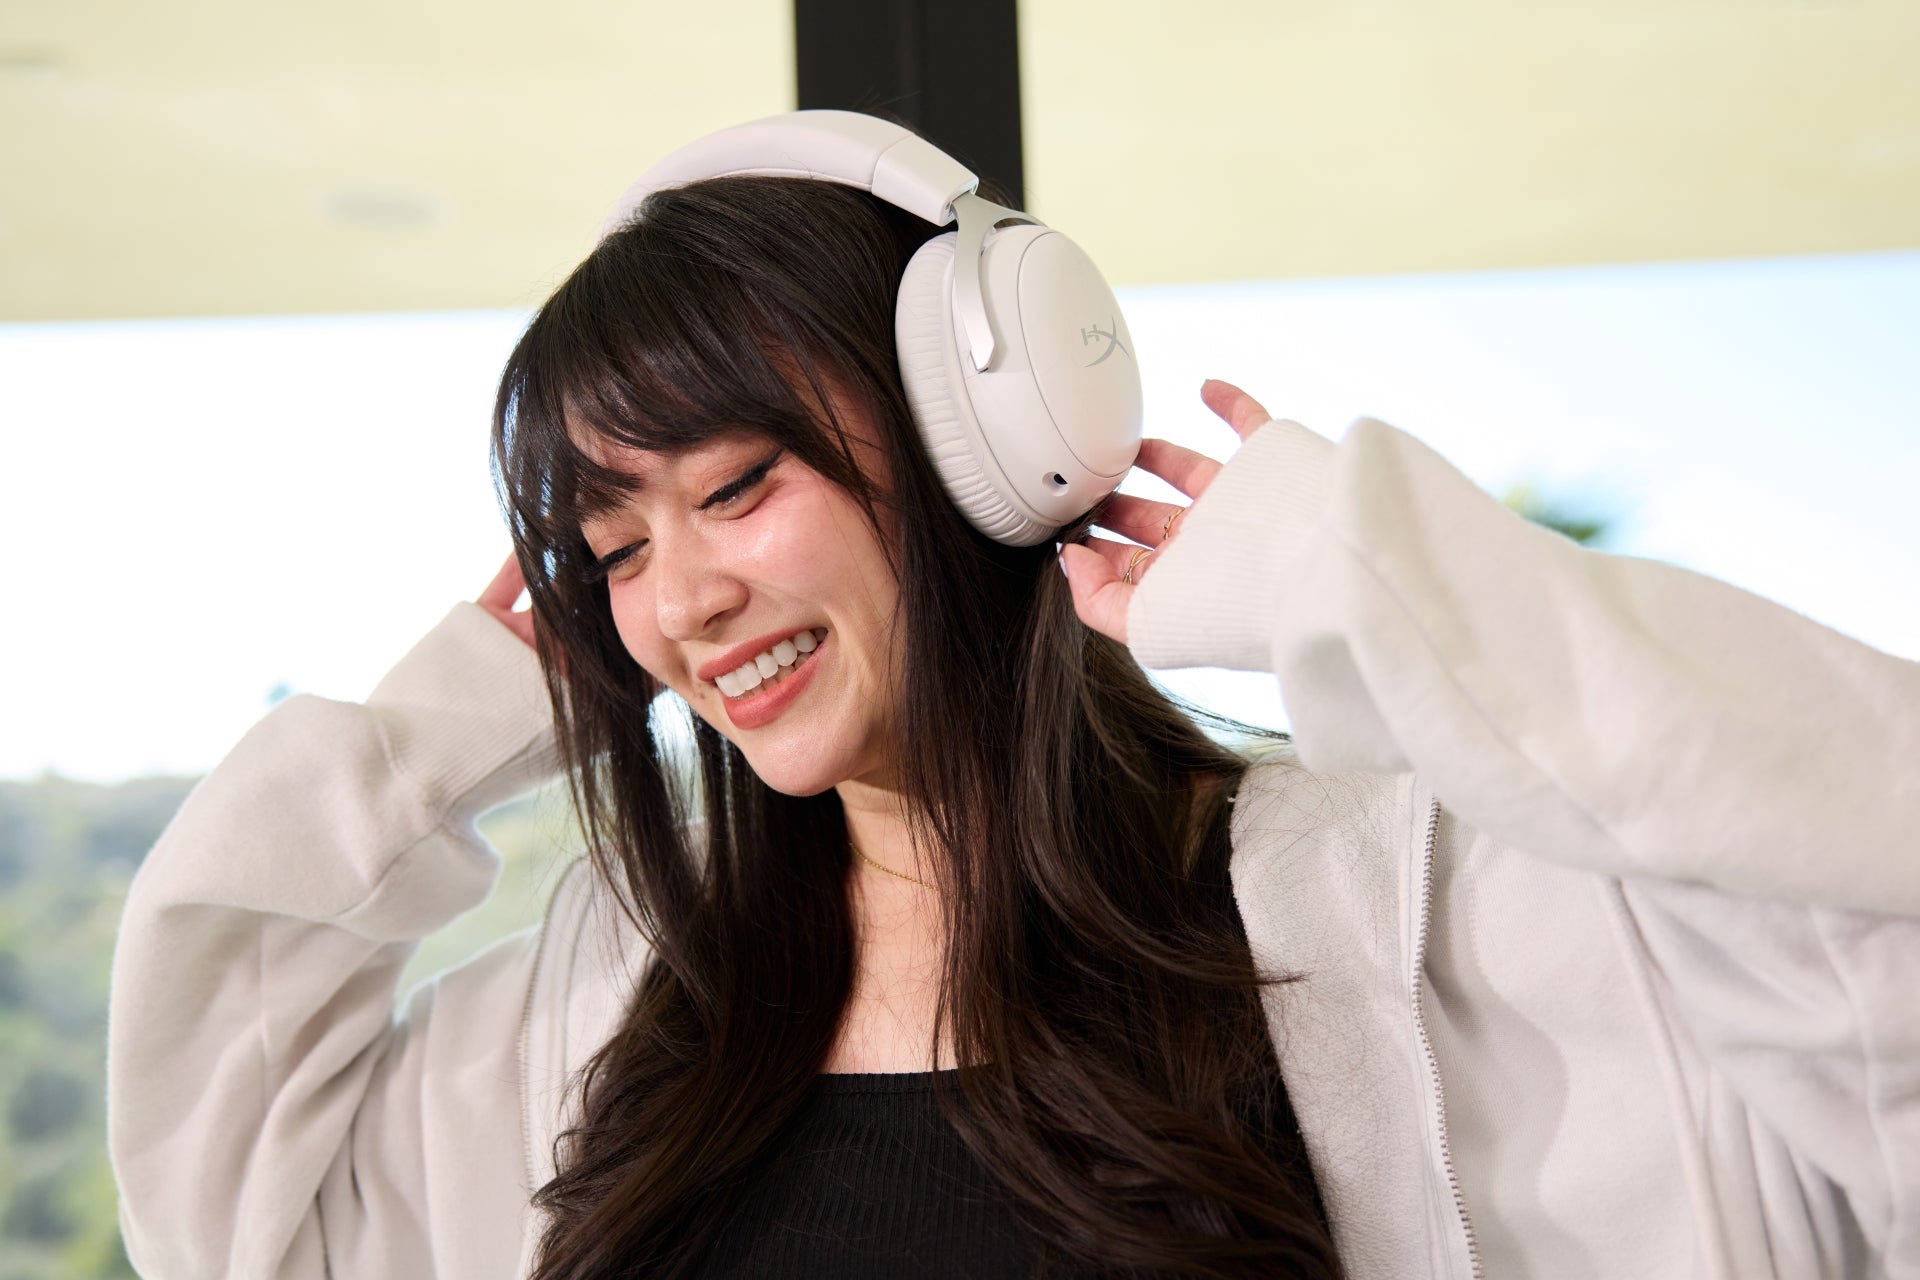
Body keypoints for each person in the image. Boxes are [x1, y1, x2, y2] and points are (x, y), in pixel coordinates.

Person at [107, 113, 1919, 1280]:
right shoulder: (609, 1010)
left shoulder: (1417, 913)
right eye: (615, 545)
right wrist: (431, 737)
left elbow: (1871, 894)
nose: (679, 598)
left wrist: (1373, 593)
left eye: (739, 487)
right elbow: (227, 1205)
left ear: (985, 444)